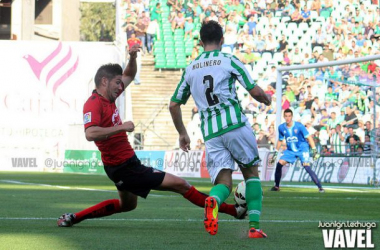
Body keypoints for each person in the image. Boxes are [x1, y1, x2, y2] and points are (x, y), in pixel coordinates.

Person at [57, 45, 243, 228]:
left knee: (127, 205)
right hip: (123, 167)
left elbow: (129, 75)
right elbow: (90, 133)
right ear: (104, 81)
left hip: (122, 165)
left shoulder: (110, 96)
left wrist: (132, 58)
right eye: (117, 83)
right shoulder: (93, 104)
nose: (120, 87)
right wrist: (121, 127)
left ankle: (73, 217)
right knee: (181, 184)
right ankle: (233, 211)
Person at [169, 21, 271, 239]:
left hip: (212, 134)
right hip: (235, 125)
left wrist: (182, 133)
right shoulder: (229, 60)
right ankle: (253, 227)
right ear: (222, 40)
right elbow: (254, 91)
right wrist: (267, 99)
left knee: (223, 182)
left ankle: (213, 201)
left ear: (200, 41)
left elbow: (174, 104)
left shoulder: (190, 68)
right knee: (251, 174)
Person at [270, 109, 325, 193]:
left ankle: (320, 187)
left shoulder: (299, 126)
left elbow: (309, 137)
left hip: (303, 149)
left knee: (307, 167)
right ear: (284, 117)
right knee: (279, 164)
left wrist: (314, 150)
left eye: (289, 116)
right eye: (286, 116)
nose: (287, 118)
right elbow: (280, 140)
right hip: (290, 150)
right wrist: (276, 152)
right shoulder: (281, 127)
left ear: (292, 116)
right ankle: (276, 186)